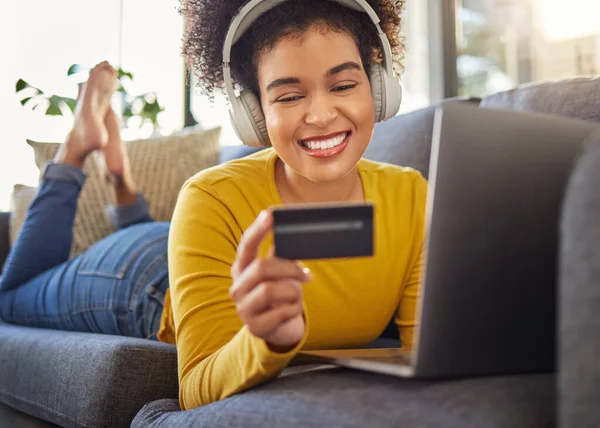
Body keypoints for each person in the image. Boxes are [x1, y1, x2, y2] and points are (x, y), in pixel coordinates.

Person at [0, 0, 426, 412]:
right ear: (254, 114)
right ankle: (75, 151)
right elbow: (195, 388)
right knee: (11, 296)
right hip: (144, 280)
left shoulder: (411, 196)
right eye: (289, 97)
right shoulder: (211, 195)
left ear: (379, 86)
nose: (320, 114)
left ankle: (119, 176)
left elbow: (425, 352)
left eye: (345, 85)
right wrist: (266, 340)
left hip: (189, 238)